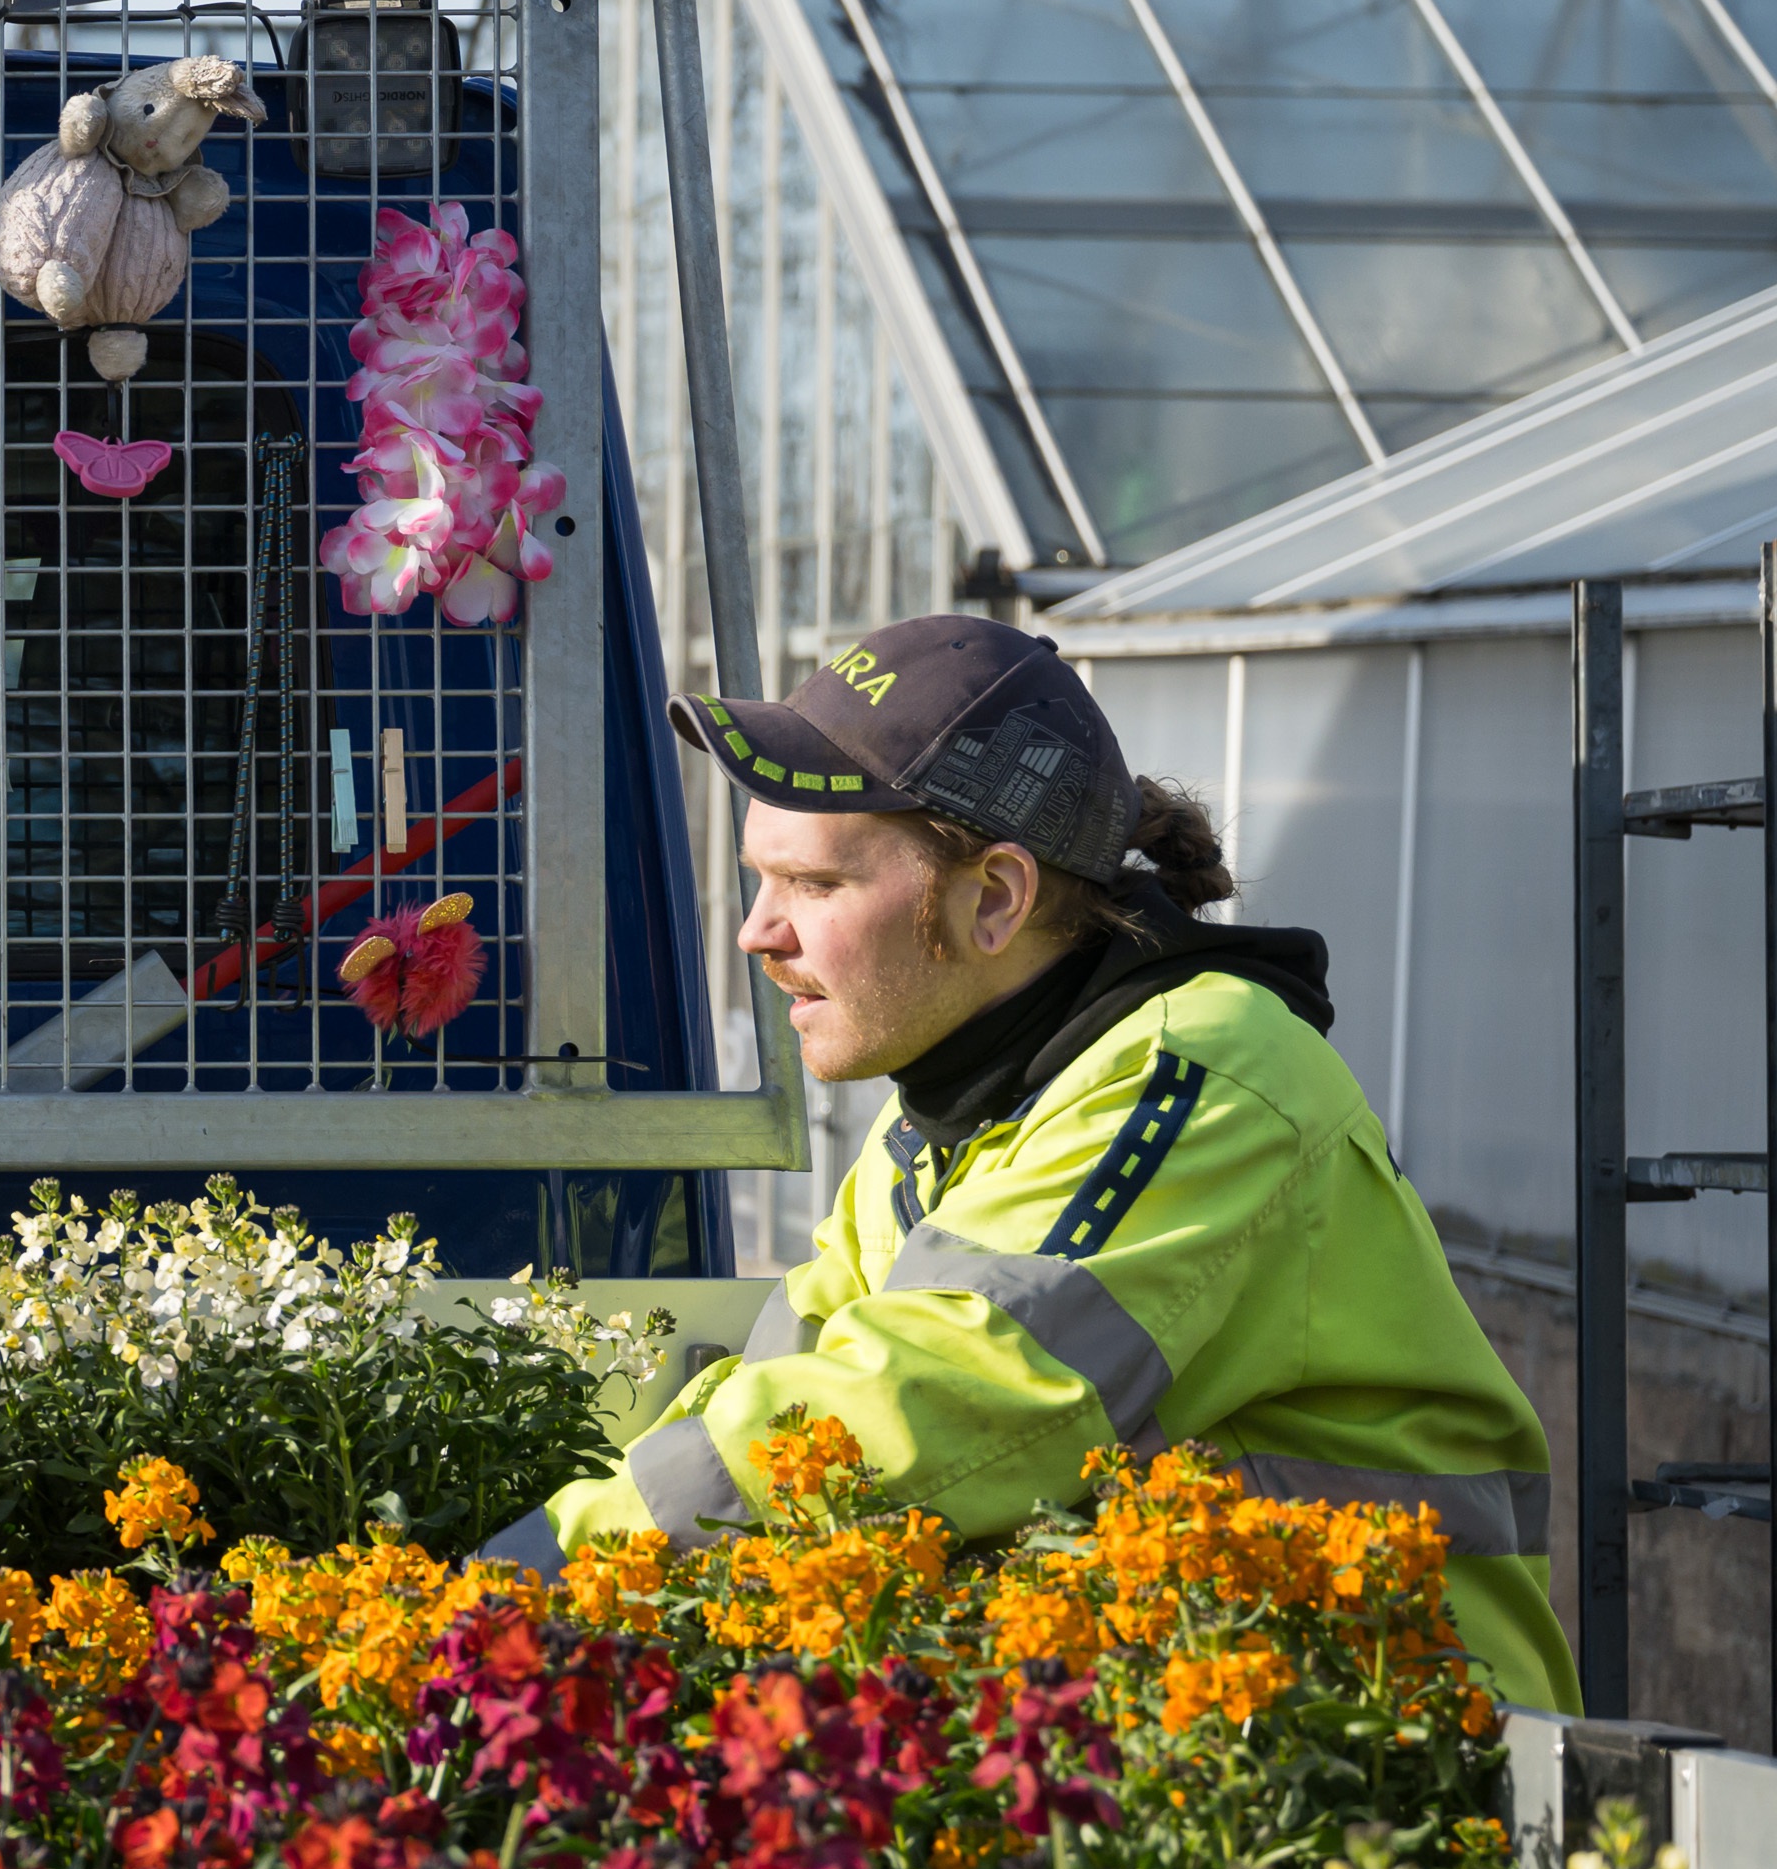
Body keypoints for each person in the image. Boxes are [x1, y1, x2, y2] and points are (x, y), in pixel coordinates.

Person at [493, 616, 1575, 1714]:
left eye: (812, 886)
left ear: (995, 898)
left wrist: (523, 1581)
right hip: (1190, 1736)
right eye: (756, 880)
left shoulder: (1195, 1078)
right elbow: (783, 1386)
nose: (755, 933)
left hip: (1399, 1746)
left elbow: (913, 1408)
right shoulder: (940, 1118)